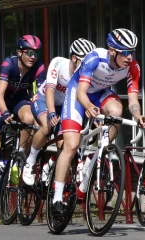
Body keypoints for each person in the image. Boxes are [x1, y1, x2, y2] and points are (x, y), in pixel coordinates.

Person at [50, 28, 145, 216]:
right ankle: (56, 198)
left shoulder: (133, 68)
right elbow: (81, 93)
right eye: (126, 52)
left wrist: (138, 116)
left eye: (132, 52)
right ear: (112, 50)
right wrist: (88, 106)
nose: (130, 57)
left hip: (101, 93)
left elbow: (133, 100)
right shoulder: (94, 58)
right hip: (78, 93)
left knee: (117, 111)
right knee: (71, 146)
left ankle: (98, 152)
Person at [22, 38, 96, 186]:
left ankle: (51, 167)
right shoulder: (58, 63)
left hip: (64, 107)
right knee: (47, 127)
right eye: (84, 61)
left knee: (66, 145)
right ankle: (30, 161)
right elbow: (50, 90)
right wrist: (51, 113)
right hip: (44, 100)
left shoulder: (86, 74)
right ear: (74, 58)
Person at [0, 35, 45, 184]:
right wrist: (5, 112)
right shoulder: (9, 64)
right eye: (29, 53)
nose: (33, 57)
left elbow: (42, 93)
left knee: (29, 119)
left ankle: (17, 157)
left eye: (36, 53)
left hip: (19, 100)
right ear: (19, 52)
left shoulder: (39, 68)